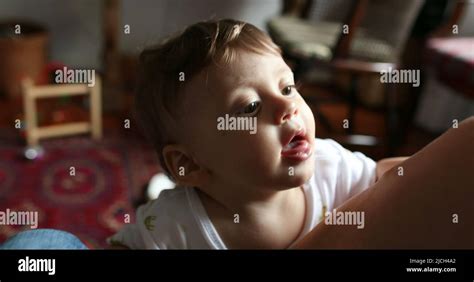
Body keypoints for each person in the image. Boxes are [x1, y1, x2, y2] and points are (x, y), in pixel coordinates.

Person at [107, 19, 474, 249]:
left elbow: (392, 180)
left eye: (287, 88)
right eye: (250, 107)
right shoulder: (174, 227)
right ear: (187, 163)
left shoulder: (331, 166)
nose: (289, 109)